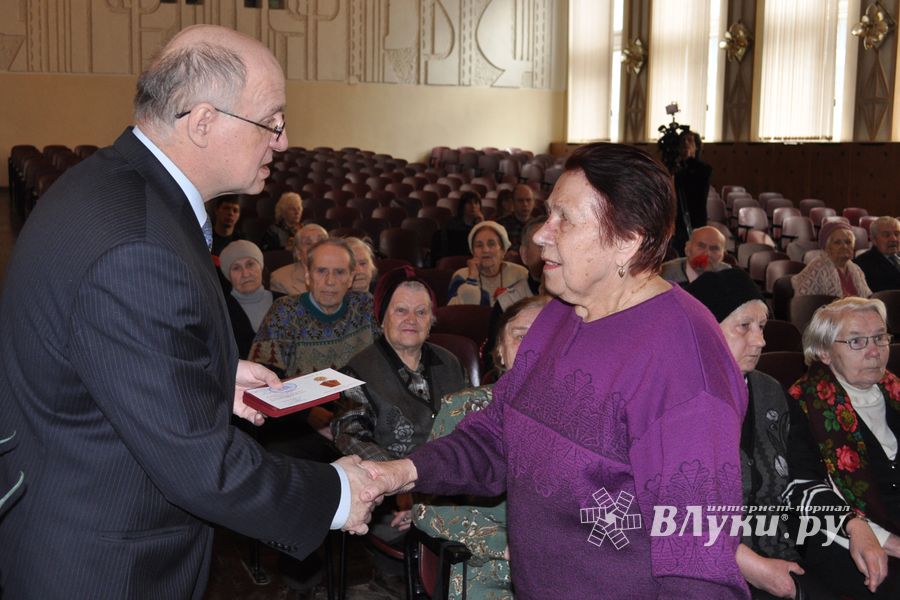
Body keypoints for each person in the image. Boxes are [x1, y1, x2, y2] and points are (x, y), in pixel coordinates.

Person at [0, 25, 380, 598]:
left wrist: (210, 376)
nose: (282, 141)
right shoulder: (137, 244)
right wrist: (336, 492)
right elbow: (201, 467)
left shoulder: (111, 183)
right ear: (203, 122)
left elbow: (102, 349)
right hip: (103, 563)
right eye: (271, 121)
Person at [365, 143, 750, 598]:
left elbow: (698, 569)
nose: (542, 235)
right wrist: (399, 472)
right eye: (549, 215)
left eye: (564, 219)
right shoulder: (562, 312)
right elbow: (496, 436)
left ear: (627, 239)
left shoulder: (684, 364)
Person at [686, 269, 837, 600]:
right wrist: (750, 564)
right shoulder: (677, 401)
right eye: (744, 326)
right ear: (705, 331)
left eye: (762, 326)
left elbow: (806, 475)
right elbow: (674, 511)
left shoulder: (771, 392)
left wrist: (854, 526)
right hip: (707, 569)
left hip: (785, 553)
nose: (760, 340)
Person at [413, 294, 550, 600]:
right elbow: (426, 507)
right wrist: (502, 543)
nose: (533, 345)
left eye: (546, 335)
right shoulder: (463, 408)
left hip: (565, 566)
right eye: (520, 336)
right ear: (499, 351)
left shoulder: (587, 418)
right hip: (490, 566)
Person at [332, 267, 466, 552]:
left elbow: (470, 426)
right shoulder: (357, 371)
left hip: (455, 488)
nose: (411, 320)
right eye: (401, 310)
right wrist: (399, 482)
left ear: (432, 320)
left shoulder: (451, 362)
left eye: (421, 312)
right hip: (391, 498)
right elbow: (350, 435)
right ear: (382, 318)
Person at [784, 297, 900, 598]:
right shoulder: (800, 405)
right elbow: (802, 487)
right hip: (843, 535)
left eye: (880, 337)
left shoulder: (896, 390)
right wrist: (887, 540)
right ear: (824, 352)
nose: (875, 351)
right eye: (857, 342)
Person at [250, 237, 380, 379]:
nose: (330, 281)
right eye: (321, 271)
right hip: (302, 400)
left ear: (350, 278)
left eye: (340, 272)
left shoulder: (365, 305)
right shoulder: (284, 312)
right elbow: (260, 378)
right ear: (307, 275)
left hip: (361, 399)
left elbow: (388, 358)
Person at [219, 240, 282, 359]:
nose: (245, 274)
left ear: (261, 266)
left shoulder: (285, 302)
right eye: (236, 268)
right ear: (228, 275)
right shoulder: (221, 310)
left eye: (250, 264)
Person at [447, 221, 528, 306]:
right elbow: (455, 313)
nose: (485, 250)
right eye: (479, 245)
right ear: (473, 251)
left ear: (503, 250)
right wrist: (472, 278)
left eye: (491, 244)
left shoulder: (520, 274)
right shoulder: (461, 276)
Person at [793, 221, 872, 298]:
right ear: (827, 247)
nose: (844, 246)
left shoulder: (856, 270)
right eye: (837, 242)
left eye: (848, 242)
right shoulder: (818, 268)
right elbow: (804, 304)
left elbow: (868, 298)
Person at [269, 222, 328, 296]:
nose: (316, 247)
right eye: (308, 243)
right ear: (298, 253)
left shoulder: (343, 272)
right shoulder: (280, 279)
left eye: (321, 241)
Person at [660, 225, 730, 285]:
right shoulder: (665, 274)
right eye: (701, 246)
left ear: (722, 255)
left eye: (714, 248)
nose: (707, 253)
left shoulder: (728, 276)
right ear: (687, 249)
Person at [433, 190, 484, 261]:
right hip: (454, 259)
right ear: (462, 206)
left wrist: (481, 224)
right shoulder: (451, 224)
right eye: (469, 203)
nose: (473, 206)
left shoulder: (482, 224)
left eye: (476, 203)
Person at [854, 216, 900, 292]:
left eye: (897, 234)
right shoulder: (862, 264)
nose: (894, 239)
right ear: (874, 240)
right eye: (886, 235)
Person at [497, 184, 536, 249]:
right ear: (513, 202)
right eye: (520, 200)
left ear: (534, 203)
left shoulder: (538, 226)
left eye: (528, 200)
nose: (525, 204)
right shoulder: (501, 225)